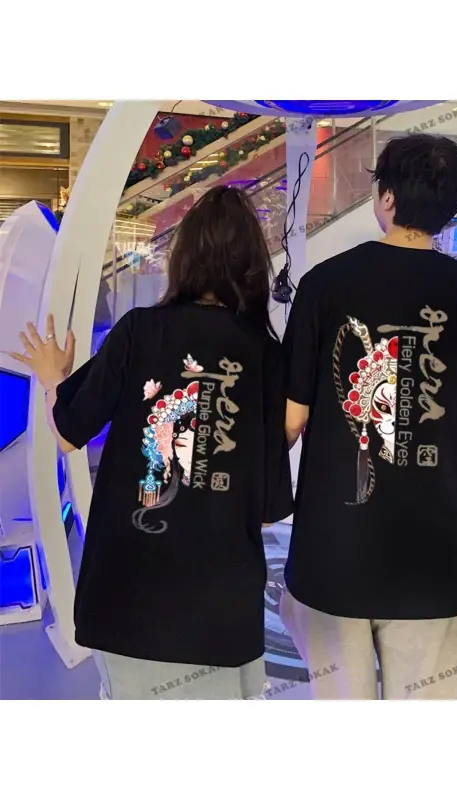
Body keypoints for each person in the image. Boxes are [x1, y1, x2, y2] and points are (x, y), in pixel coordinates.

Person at [279, 133, 457, 700]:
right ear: (450, 210)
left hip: (334, 555)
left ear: (386, 197)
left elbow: (287, 424)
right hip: (440, 562)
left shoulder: (323, 284)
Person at [11, 186, 293, 700]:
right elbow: (268, 512)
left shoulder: (139, 330)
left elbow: (69, 433)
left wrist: (55, 380)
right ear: (254, 266)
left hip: (128, 593)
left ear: (183, 257)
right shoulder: (268, 356)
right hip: (219, 608)